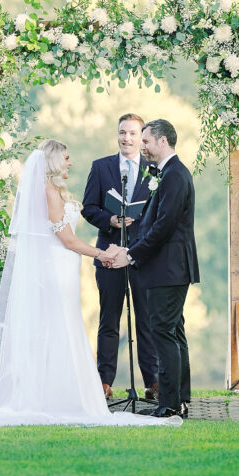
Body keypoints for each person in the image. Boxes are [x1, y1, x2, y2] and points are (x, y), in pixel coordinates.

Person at [0, 140, 182, 428]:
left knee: (63, 327)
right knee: (59, 328)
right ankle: (56, 398)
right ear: (55, 161)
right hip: (56, 268)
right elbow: (67, 240)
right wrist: (103, 253)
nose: (70, 163)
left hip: (64, 267)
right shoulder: (48, 192)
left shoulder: (54, 191)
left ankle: (59, 393)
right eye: (66, 158)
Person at [107, 119, 199, 418]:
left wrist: (132, 255)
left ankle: (170, 404)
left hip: (169, 268)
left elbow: (163, 227)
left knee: (162, 332)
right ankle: (180, 398)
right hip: (169, 268)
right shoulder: (169, 173)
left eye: (145, 141)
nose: (141, 146)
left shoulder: (174, 176)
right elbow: (154, 223)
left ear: (163, 141)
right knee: (174, 332)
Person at [81, 112, 159, 401]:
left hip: (142, 255)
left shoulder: (155, 170)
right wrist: (110, 219)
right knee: (109, 319)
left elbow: (160, 211)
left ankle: (153, 381)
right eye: (122, 132)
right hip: (110, 254)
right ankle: (104, 381)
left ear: (142, 138)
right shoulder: (101, 168)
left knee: (146, 319)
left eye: (132, 133)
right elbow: (88, 207)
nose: (126, 138)